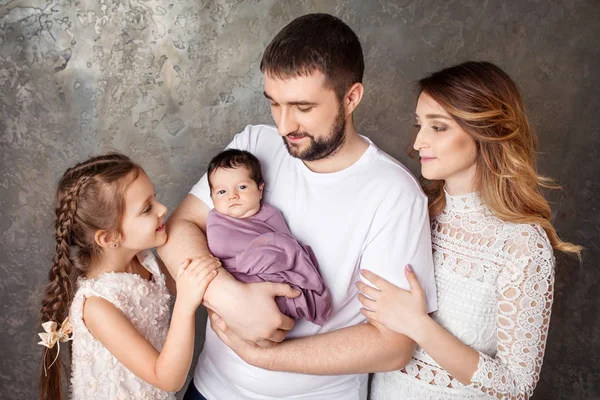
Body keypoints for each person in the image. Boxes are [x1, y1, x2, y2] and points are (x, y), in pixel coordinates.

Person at [158, 13, 437, 400]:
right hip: (208, 390)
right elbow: (178, 229)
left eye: (302, 107)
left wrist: (262, 355)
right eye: (274, 103)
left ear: (351, 97)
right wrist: (229, 299)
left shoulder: (394, 194)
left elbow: (394, 344)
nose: (284, 125)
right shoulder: (255, 144)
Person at [355, 61, 582, 399]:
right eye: (420, 125)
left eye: (438, 127)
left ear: (485, 130)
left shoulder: (522, 245)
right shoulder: (414, 212)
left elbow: (516, 388)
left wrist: (419, 325)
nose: (418, 142)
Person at [37, 153, 221, 400]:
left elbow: (191, 281)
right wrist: (185, 307)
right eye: (147, 209)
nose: (163, 209)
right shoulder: (97, 306)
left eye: (154, 199)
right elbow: (168, 379)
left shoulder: (143, 259)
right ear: (109, 238)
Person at [206, 148, 332, 325]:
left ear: (259, 189)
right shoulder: (217, 221)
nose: (232, 196)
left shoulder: (271, 215)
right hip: (238, 281)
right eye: (221, 192)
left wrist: (278, 253)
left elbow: (286, 248)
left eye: (241, 187)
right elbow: (221, 248)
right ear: (211, 197)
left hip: (270, 277)